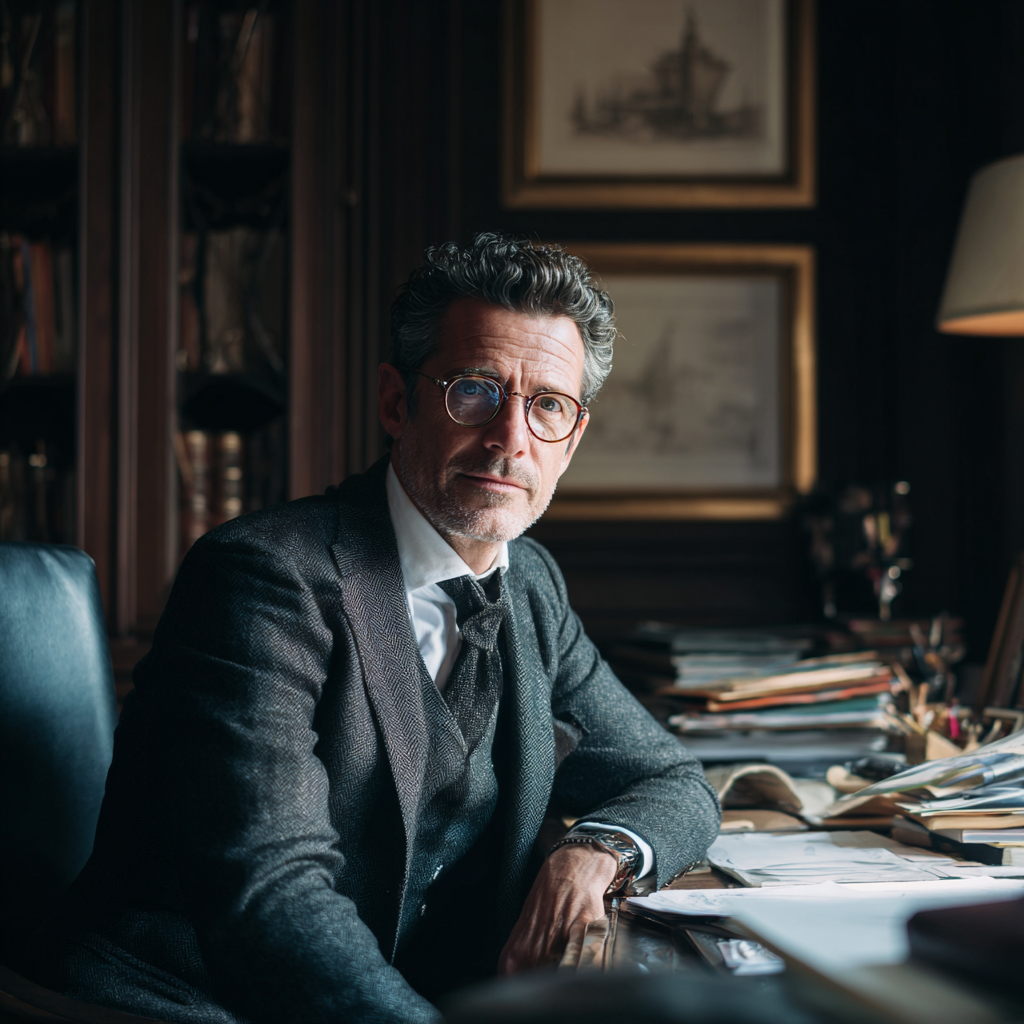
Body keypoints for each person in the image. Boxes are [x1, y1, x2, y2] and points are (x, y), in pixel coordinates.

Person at [29, 234, 720, 1023]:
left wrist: (593, 852)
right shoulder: (260, 576)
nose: (510, 438)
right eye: (474, 391)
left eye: (548, 406)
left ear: (573, 439)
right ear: (397, 403)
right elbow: (273, 897)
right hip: (178, 1002)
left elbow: (673, 781)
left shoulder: (531, 583)